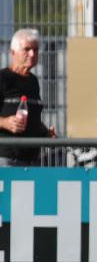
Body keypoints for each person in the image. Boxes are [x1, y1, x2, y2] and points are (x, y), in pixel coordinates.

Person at [0, 29, 56, 166]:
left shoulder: (33, 81)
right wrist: (5, 122)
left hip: (32, 160)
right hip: (6, 158)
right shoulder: (3, 78)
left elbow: (31, 117)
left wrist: (45, 133)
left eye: (36, 50)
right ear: (13, 52)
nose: (32, 54)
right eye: (27, 49)